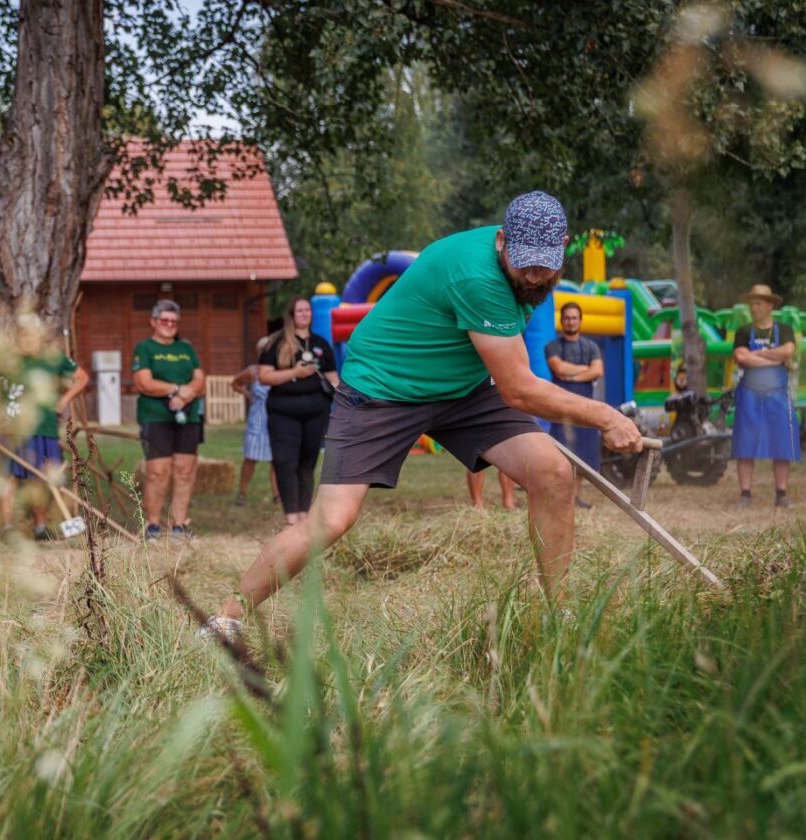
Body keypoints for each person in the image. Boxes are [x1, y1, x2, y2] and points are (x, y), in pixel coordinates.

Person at [201, 191, 643, 641]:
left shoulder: (529, 277)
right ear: (500, 241)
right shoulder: (479, 277)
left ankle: (559, 616)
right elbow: (519, 389)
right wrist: (605, 415)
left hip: (462, 389)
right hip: (382, 387)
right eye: (524, 262)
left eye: (544, 264)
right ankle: (225, 619)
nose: (533, 275)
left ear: (563, 247)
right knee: (329, 522)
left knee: (552, 471)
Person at [0, 314, 90, 539]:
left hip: (44, 427)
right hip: (12, 428)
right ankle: (6, 528)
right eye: (22, 335)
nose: (27, 339)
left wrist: (64, 400)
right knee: (9, 477)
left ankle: (40, 527)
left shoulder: (52, 358)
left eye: (31, 335)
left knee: (42, 479)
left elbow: (82, 377)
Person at [258, 298, 339, 525]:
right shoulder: (277, 342)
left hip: (316, 412)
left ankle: (304, 515)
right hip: (283, 412)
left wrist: (344, 396)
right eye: (299, 310)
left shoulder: (321, 343)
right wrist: (294, 373)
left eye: (307, 310)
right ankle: (291, 517)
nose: (304, 314)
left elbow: (333, 377)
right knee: (285, 462)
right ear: (292, 314)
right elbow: (264, 376)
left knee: (308, 463)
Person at [131, 300, 206, 540]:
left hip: (188, 416)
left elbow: (200, 382)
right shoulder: (144, 349)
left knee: (184, 471)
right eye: (164, 320)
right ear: (153, 321)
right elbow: (144, 383)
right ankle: (152, 525)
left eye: (174, 321)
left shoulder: (186, 349)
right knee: (157, 472)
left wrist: (186, 395)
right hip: (156, 416)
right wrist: (177, 388)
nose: (169, 325)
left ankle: (178, 525)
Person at [731, 283, 800, 508]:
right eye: (752, 303)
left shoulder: (784, 329)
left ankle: (781, 494)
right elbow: (742, 357)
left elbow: (788, 351)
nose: (754, 307)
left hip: (778, 395)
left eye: (758, 303)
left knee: (782, 442)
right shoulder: (743, 332)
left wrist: (758, 354)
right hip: (749, 395)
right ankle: (745, 493)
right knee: (745, 443)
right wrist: (774, 358)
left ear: (770, 305)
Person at [545, 301, 604, 508]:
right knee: (561, 454)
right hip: (561, 408)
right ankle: (560, 498)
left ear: (580, 320)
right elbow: (558, 368)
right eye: (567, 318)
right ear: (562, 321)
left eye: (574, 318)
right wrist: (584, 371)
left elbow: (597, 371)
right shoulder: (552, 347)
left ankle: (574, 497)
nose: (571, 322)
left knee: (584, 453)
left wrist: (572, 376)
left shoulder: (591, 346)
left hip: (585, 408)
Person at [230, 337, 280, 507]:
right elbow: (235, 383)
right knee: (251, 458)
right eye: (263, 349)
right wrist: (248, 395)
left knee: (276, 459)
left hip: (276, 417)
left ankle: (277, 495)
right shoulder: (253, 371)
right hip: (257, 419)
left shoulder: (280, 370)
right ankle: (242, 493)